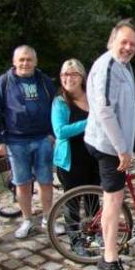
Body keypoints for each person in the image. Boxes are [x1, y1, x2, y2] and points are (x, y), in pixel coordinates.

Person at [84, 19, 135, 270]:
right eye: (123, 42)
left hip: (121, 137)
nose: (128, 47)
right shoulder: (108, 66)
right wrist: (122, 150)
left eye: (132, 44)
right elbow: (103, 110)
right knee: (113, 201)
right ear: (112, 40)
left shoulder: (126, 65)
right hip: (107, 143)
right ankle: (109, 260)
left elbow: (131, 105)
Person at [0, 45, 56, 239]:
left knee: (46, 181)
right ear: (14, 62)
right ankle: (27, 220)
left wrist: (52, 133)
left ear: (35, 62)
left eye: (29, 60)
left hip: (43, 138)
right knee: (22, 182)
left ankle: (47, 218)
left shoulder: (44, 81)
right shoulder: (5, 82)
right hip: (16, 141)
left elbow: (56, 106)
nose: (25, 63)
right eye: (21, 60)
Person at [51, 59, 100, 256]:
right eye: (64, 75)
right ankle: (75, 240)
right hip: (71, 160)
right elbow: (60, 131)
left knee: (93, 198)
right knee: (72, 202)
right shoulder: (60, 102)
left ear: (82, 77)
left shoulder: (92, 97)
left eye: (72, 74)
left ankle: (94, 233)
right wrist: (88, 123)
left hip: (93, 156)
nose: (68, 78)